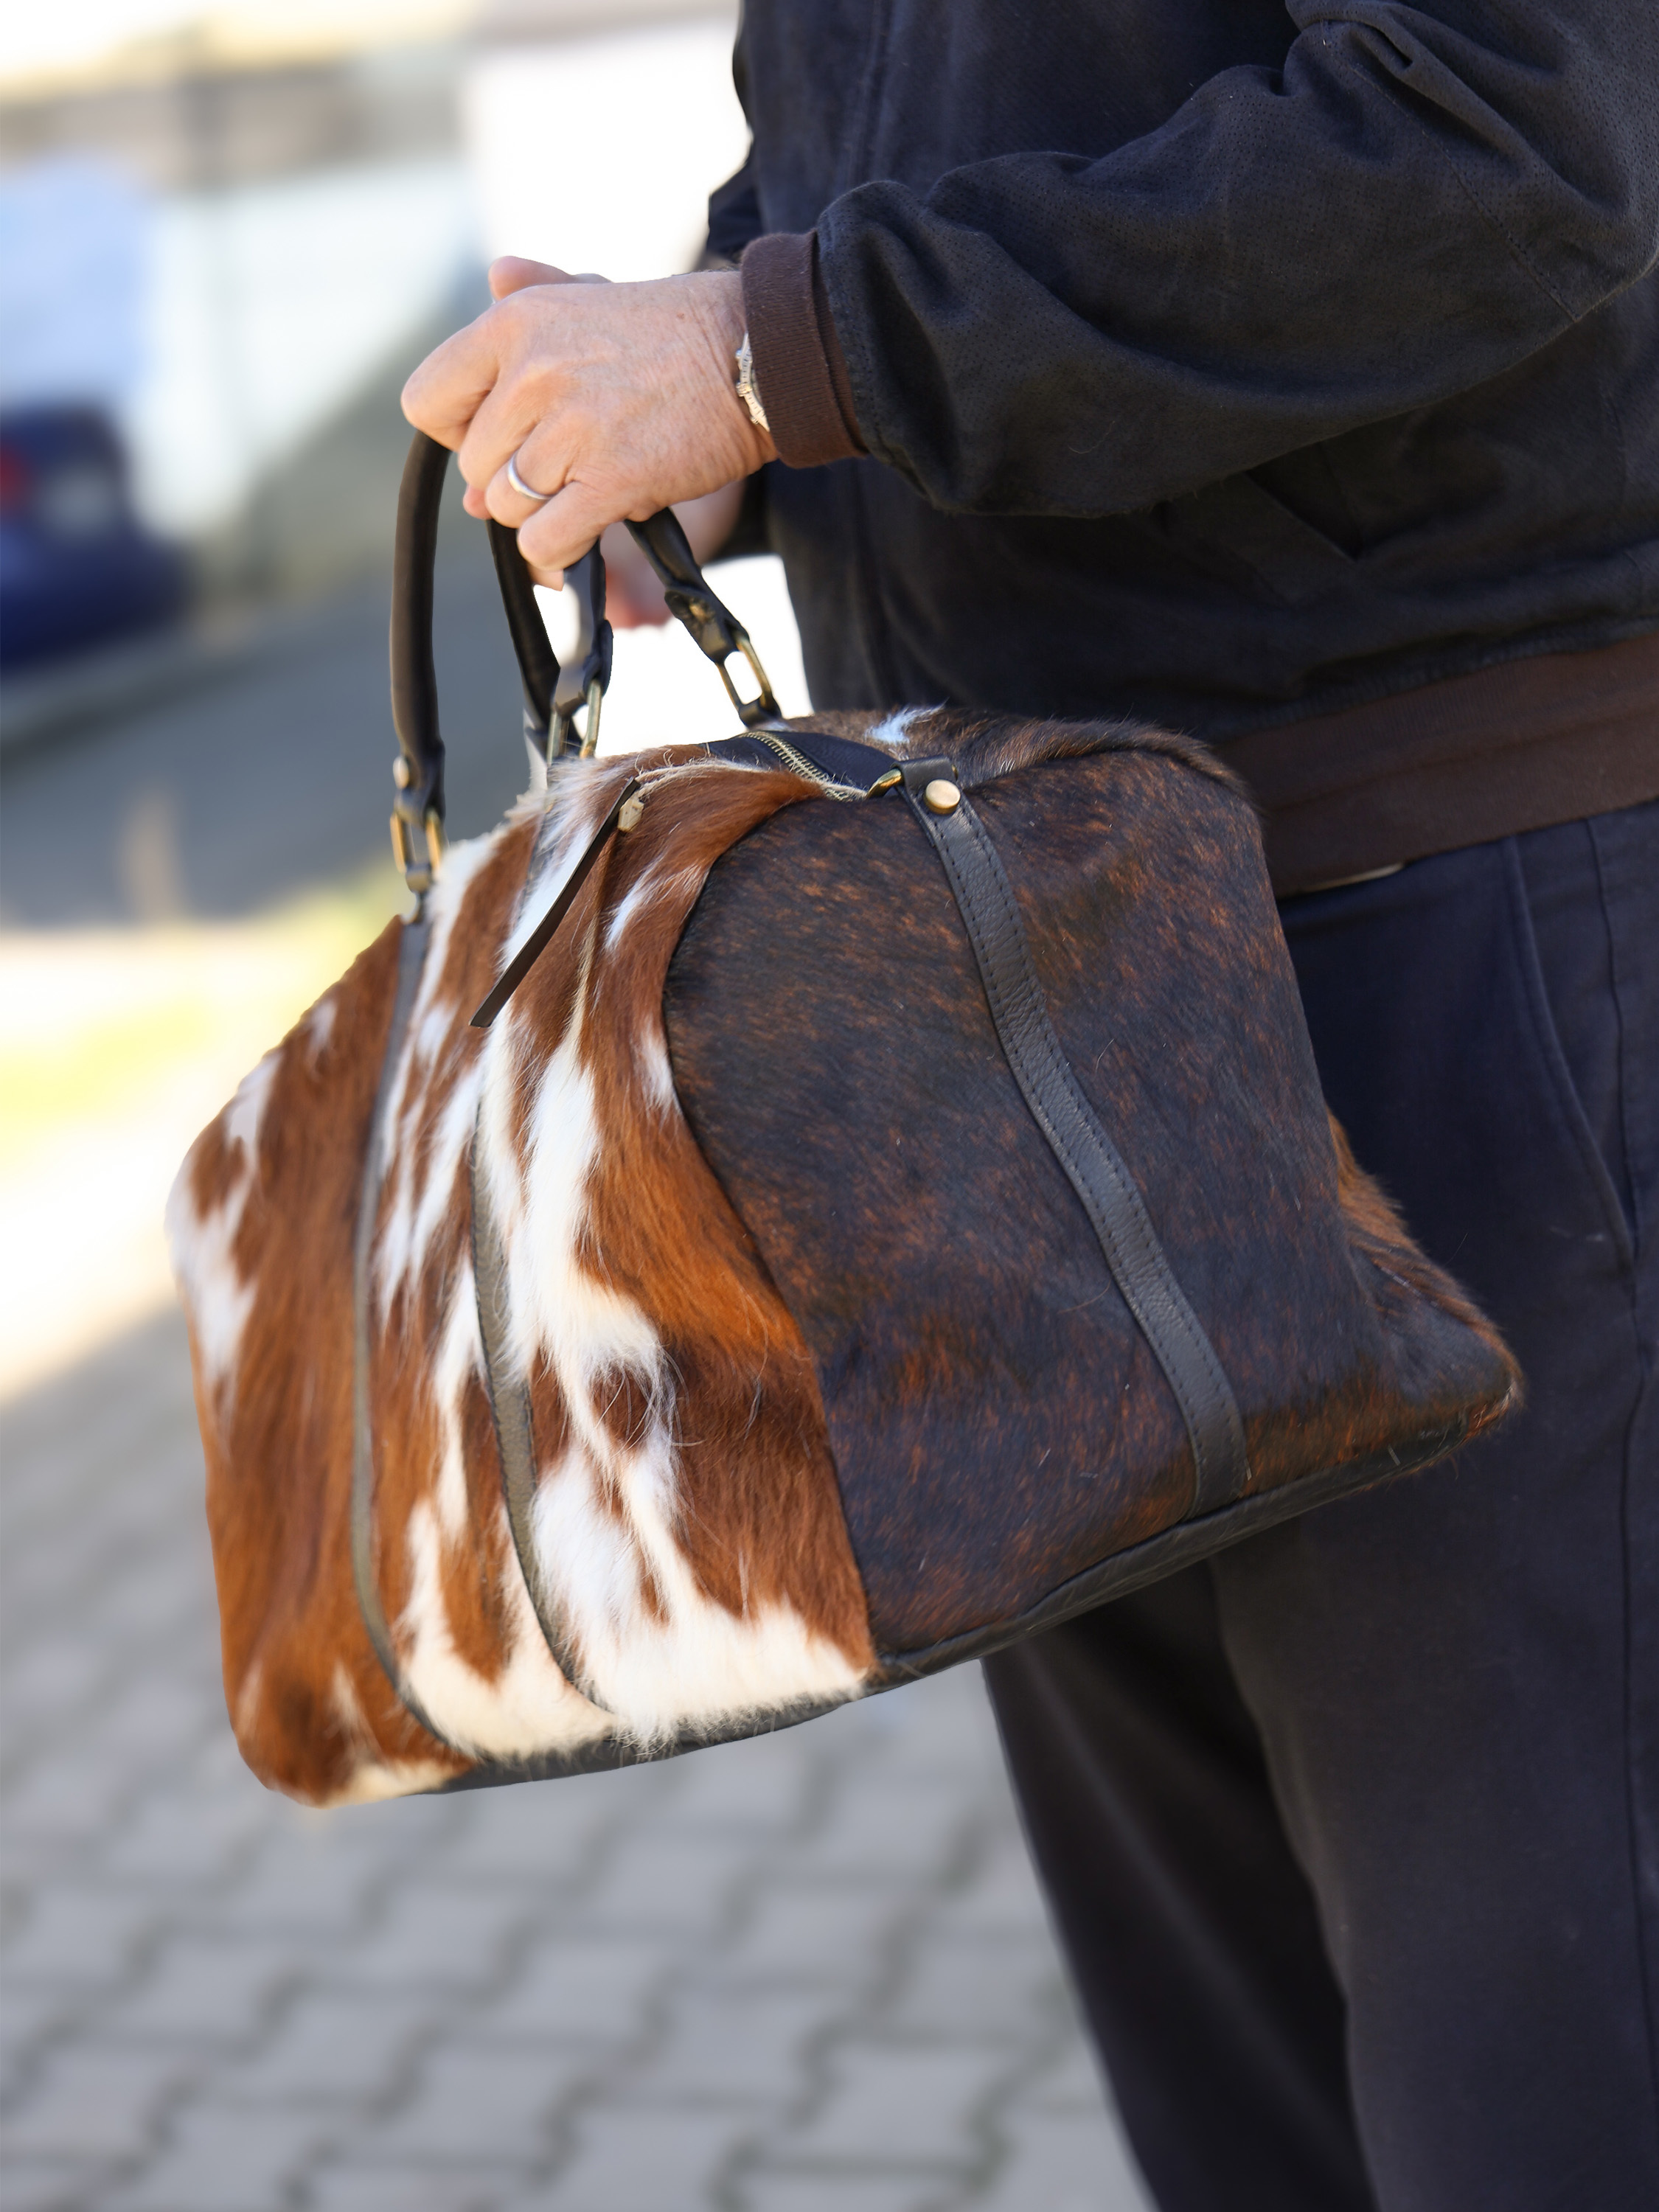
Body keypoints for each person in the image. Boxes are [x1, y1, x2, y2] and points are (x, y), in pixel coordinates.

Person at [403, 4, 1659, 2204]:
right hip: (1007, 971)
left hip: (1431, 912)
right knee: (1236, 2091)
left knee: (1545, 2069)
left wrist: (785, 352)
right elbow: (909, 118)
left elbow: (1518, 130)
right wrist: (729, 407)